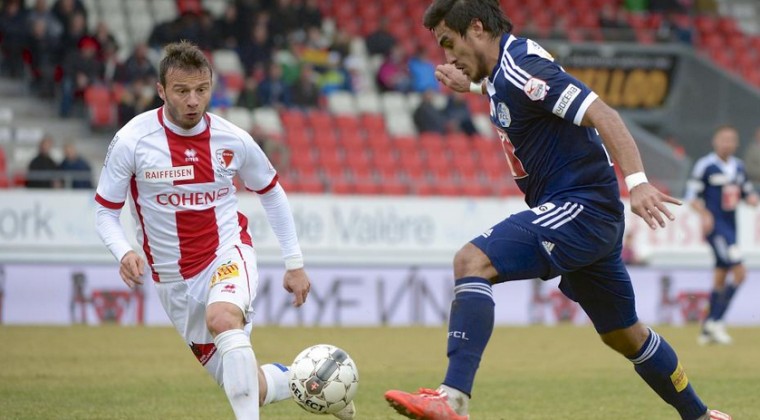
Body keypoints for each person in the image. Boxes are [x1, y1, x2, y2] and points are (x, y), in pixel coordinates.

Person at [384, 2, 731, 420]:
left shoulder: (522, 68)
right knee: (625, 336)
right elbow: (513, 93)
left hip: (581, 207)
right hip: (589, 217)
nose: (447, 58)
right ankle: (700, 415)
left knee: (471, 261)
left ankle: (453, 397)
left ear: (476, 28)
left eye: (448, 43)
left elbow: (603, 113)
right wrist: (471, 87)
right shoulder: (504, 71)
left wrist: (637, 184)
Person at [93, 41, 355, 420]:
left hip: (226, 254)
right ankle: (321, 387)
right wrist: (124, 251)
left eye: (202, 89)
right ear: (161, 90)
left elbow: (272, 193)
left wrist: (294, 262)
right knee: (250, 385)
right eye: (182, 91)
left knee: (223, 319)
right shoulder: (133, 140)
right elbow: (104, 211)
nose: (193, 100)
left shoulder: (232, 139)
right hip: (173, 281)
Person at [683, 125, 758, 346]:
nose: (728, 143)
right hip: (716, 229)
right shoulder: (705, 166)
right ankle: (717, 321)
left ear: (736, 143)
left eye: (732, 140)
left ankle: (707, 329)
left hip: (732, 228)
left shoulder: (739, 167)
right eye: (724, 139)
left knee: (720, 276)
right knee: (740, 272)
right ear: (715, 142)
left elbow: (746, 192)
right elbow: (692, 196)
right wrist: (704, 213)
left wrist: (751, 199)